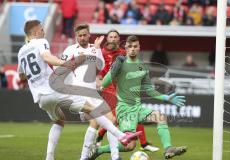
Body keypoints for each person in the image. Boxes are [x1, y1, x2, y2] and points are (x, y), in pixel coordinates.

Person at [17, 20, 141, 160]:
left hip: (40, 97)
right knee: (96, 112)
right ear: (34, 33)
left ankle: (50, 157)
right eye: (41, 30)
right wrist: (65, 63)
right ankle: (121, 138)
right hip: (57, 90)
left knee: (59, 120)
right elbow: (47, 58)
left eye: (85, 34)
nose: (43, 32)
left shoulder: (21, 51)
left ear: (89, 35)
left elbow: (21, 76)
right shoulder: (42, 42)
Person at [89, 35, 187, 160]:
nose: (133, 49)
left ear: (139, 47)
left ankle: (168, 149)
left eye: (135, 46)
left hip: (138, 108)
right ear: (126, 48)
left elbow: (149, 90)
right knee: (130, 145)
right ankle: (99, 150)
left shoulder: (142, 66)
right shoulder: (120, 63)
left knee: (161, 117)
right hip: (124, 109)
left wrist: (166, 98)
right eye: (130, 47)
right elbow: (104, 84)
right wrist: (114, 68)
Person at [61, 24, 121, 160]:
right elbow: (59, 67)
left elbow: (100, 67)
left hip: (93, 93)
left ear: (89, 35)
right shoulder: (70, 50)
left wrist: (98, 48)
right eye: (79, 35)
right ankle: (97, 157)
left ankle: (113, 157)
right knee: (98, 120)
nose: (82, 38)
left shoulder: (94, 49)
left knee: (110, 120)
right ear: (76, 37)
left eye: (84, 35)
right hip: (78, 94)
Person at [96, 29, 159, 153]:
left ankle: (101, 140)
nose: (113, 39)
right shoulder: (101, 52)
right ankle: (100, 139)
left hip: (120, 89)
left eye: (115, 37)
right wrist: (99, 82)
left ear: (119, 40)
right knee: (115, 119)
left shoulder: (124, 53)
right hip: (108, 90)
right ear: (107, 39)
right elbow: (98, 70)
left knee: (124, 117)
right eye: (111, 37)